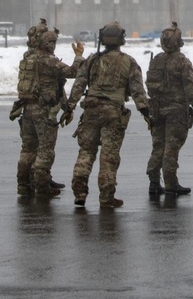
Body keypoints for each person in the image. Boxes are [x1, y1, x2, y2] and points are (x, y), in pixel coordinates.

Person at [64, 21, 149, 209]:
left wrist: (69, 107)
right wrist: (146, 113)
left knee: (86, 151)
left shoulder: (92, 60)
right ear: (121, 40)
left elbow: (78, 85)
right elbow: (137, 92)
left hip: (91, 111)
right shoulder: (129, 61)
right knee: (109, 156)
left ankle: (80, 191)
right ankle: (106, 196)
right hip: (113, 112)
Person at [11, 23, 84, 198]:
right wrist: (79, 56)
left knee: (28, 149)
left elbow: (58, 85)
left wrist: (66, 106)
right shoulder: (50, 61)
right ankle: (42, 186)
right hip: (44, 111)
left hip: (27, 109)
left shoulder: (28, 57)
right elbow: (73, 72)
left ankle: (23, 184)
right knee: (45, 149)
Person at [145, 21, 193, 198]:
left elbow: (150, 86)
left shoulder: (156, 61)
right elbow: (190, 88)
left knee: (158, 146)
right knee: (171, 148)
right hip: (176, 111)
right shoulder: (182, 62)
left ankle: (154, 182)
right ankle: (171, 183)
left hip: (157, 109)